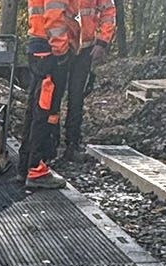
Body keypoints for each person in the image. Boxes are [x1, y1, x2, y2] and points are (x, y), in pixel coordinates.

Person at [19, 0, 75, 188]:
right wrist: (61, 50)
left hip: (37, 44)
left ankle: (25, 165)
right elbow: (54, 15)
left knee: (34, 108)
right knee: (45, 109)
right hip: (49, 50)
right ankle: (36, 169)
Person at [62, 0, 114, 161]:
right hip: (60, 47)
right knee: (50, 97)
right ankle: (47, 144)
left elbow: (109, 11)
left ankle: (72, 143)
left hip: (83, 50)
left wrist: (102, 41)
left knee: (76, 97)